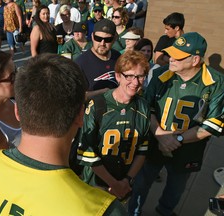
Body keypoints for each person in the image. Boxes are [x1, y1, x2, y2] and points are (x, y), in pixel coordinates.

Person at [0, 53, 127, 215]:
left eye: (17, 71)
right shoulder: (103, 209)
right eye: (12, 77)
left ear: (18, 111)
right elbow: (9, 182)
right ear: (80, 116)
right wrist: (80, 191)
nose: (17, 79)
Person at [128, 32, 224, 216]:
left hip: (188, 149)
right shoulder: (160, 74)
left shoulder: (216, 82)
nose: (171, 58)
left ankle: (164, 212)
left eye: (178, 56)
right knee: (141, 183)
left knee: (176, 188)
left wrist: (176, 139)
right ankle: (133, 212)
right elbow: (146, 109)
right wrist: (160, 135)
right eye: (171, 53)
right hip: (155, 142)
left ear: (195, 59)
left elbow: (213, 124)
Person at [77, 50, 150, 201]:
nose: (135, 82)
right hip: (96, 183)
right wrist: (114, 184)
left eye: (140, 76)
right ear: (117, 76)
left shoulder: (143, 107)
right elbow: (87, 152)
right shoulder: (98, 105)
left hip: (125, 183)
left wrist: (126, 181)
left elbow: (142, 151)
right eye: (129, 76)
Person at [75, 19, 121, 100]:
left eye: (107, 40)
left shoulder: (118, 57)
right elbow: (77, 97)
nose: (102, 43)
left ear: (114, 39)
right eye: (98, 38)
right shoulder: (81, 63)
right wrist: (105, 92)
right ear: (92, 36)